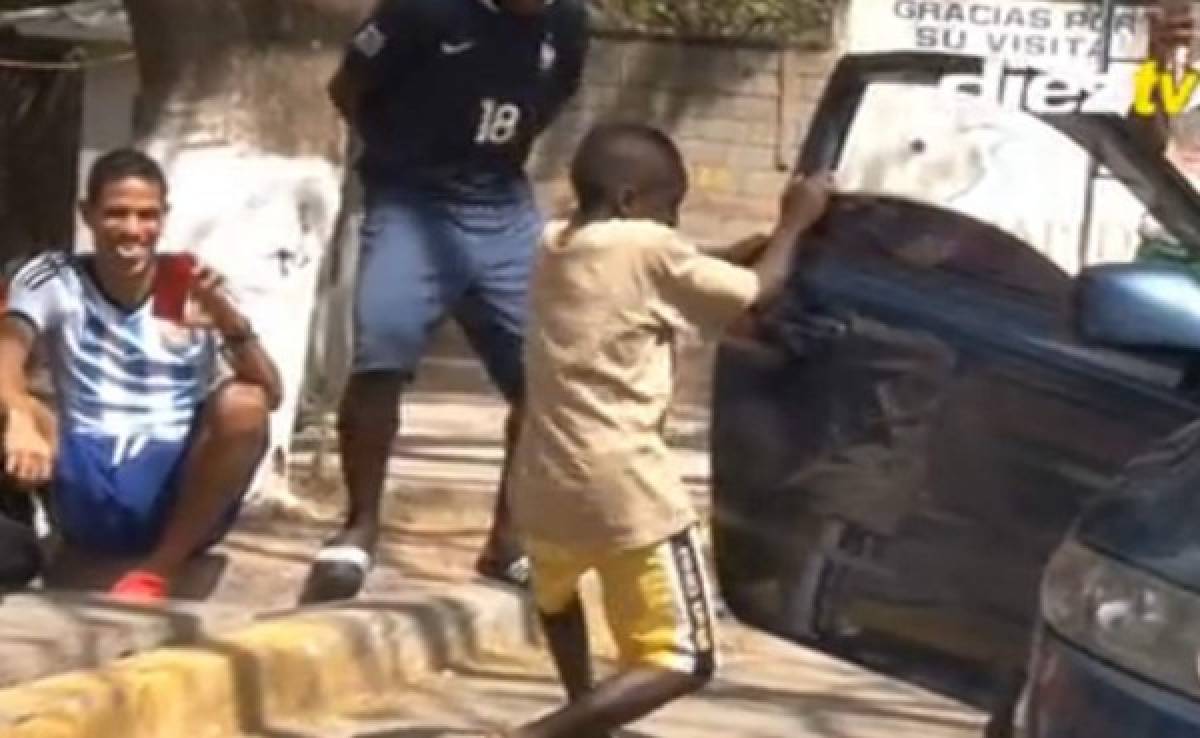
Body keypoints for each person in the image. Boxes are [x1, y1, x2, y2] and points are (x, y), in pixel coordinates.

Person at [497, 122, 833, 738]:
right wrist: (793, 224)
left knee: (558, 600)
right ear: (629, 201)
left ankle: (584, 715)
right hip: (627, 487)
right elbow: (758, 294)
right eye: (669, 209)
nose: (672, 225)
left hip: (543, 480)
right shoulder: (652, 249)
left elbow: (661, 278)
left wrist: (721, 255)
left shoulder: (555, 242)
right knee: (684, 658)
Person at [307, 0, 590, 601]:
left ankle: (507, 541)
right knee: (382, 352)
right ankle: (359, 528)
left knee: (544, 378)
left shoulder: (567, 22)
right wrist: (404, 152)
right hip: (412, 203)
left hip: (502, 209)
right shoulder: (425, 10)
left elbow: (555, 95)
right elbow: (347, 86)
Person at [0, 148, 282, 602]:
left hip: (173, 481)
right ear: (87, 214)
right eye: (117, 214)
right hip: (88, 472)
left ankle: (157, 571)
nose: (133, 230)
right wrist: (18, 418)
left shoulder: (188, 281)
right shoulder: (54, 278)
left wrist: (226, 319)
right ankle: (12, 551)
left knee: (243, 404)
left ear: (164, 218)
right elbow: (7, 352)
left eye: (147, 215)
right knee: (12, 403)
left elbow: (270, 395)